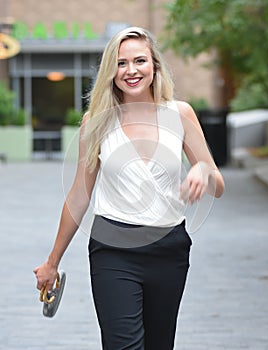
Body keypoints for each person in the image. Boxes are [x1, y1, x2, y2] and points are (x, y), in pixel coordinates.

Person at [34, 26, 225, 349]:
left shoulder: (180, 114)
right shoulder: (96, 120)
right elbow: (80, 195)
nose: (131, 71)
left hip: (169, 249)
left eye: (140, 61)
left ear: (155, 67)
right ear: (111, 71)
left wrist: (203, 170)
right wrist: (53, 261)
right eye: (121, 63)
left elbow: (217, 186)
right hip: (113, 249)